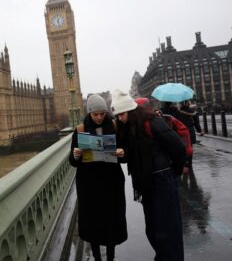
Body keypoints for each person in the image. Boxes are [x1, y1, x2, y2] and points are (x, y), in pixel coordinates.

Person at [111, 89, 185, 261]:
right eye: (118, 115)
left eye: (121, 114)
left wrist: (176, 172)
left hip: (162, 180)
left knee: (168, 230)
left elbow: (178, 147)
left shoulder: (151, 122)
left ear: (130, 110)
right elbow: (131, 155)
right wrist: (124, 154)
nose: (120, 118)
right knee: (153, 229)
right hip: (146, 184)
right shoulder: (129, 128)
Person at [69, 94, 127, 261]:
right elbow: (73, 162)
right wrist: (76, 155)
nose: (100, 117)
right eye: (96, 114)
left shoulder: (115, 127)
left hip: (111, 184)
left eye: (102, 113)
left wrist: (122, 153)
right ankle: (97, 257)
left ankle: (110, 256)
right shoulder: (80, 130)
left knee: (111, 222)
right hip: (89, 186)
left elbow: (125, 155)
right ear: (89, 113)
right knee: (93, 224)